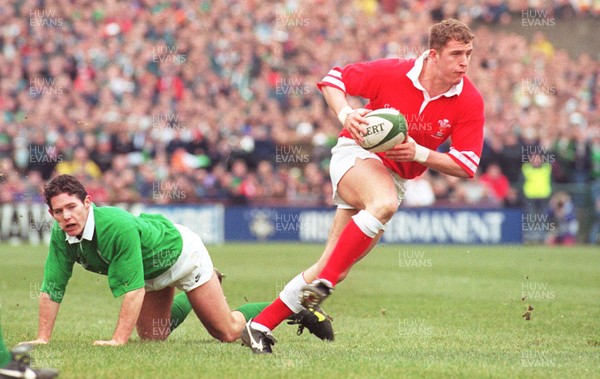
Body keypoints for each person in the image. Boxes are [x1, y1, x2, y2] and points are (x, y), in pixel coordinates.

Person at [241, 18, 484, 353]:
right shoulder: (395, 72)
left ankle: (261, 324)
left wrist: (420, 152)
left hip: (396, 177)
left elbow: (467, 164)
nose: (464, 62)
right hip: (356, 154)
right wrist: (345, 114)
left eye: (468, 53)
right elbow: (332, 79)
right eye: (457, 53)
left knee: (332, 267)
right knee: (383, 205)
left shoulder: (469, 99)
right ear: (432, 55)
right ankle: (318, 289)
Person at [21, 174, 331, 347]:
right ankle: (199, 295)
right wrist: (42, 338)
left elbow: (133, 291)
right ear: (51, 213)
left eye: (72, 207)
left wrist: (117, 341)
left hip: (181, 256)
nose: (66, 216)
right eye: (58, 211)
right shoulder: (62, 235)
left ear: (88, 203)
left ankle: (296, 306)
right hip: (149, 271)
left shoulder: (115, 226)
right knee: (153, 337)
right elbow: (52, 286)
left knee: (227, 332)